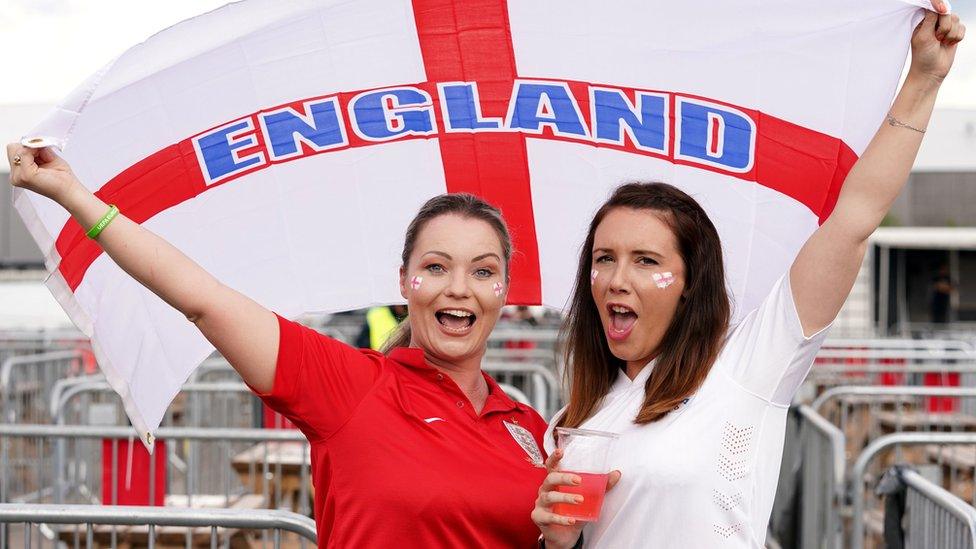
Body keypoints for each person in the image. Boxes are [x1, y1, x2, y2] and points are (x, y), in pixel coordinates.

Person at [532, 5, 965, 548]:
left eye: (647, 261)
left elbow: (854, 218)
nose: (617, 278)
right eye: (603, 258)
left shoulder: (744, 368)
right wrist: (556, 540)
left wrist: (925, 78)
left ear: (691, 282)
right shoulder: (572, 421)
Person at [4, 145, 549, 546]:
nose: (459, 287)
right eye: (436, 267)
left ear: (504, 291)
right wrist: (74, 195)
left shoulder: (532, 428)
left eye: (483, 271)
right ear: (405, 281)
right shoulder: (352, 386)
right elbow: (205, 299)